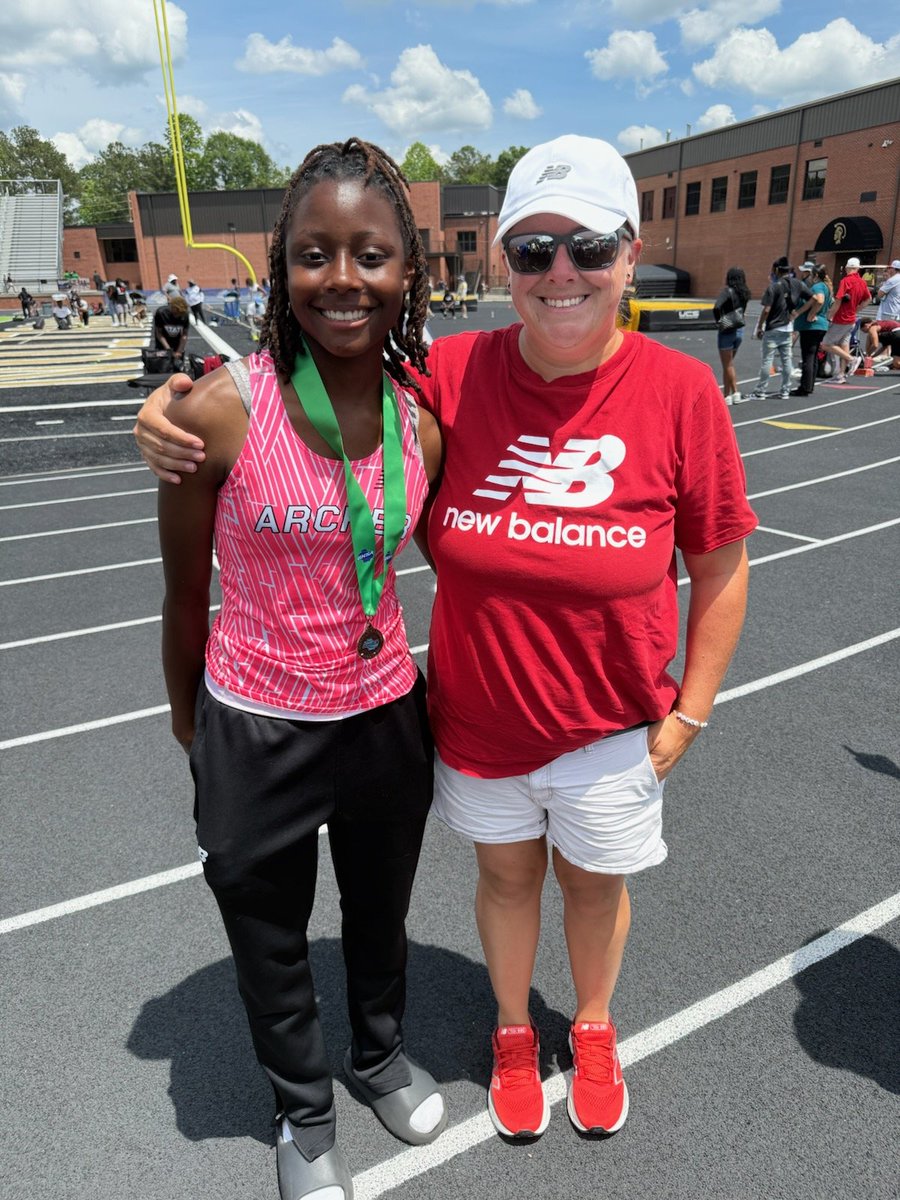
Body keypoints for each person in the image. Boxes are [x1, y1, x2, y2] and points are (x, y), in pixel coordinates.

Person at [135, 134, 756, 1150]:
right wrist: (167, 409)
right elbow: (301, 386)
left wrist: (690, 712)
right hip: (456, 720)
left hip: (584, 724)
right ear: (504, 262)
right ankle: (460, 1054)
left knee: (573, 890)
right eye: (534, 250)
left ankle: (582, 1029)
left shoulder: (668, 393)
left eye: (590, 247)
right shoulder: (450, 374)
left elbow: (723, 565)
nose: (561, 271)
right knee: (483, 886)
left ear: (630, 254)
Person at [149, 138, 448, 1200]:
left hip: (384, 719)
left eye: (371, 254)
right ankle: (303, 1115)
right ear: (282, 265)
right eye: (315, 254)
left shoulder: (422, 419)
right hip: (255, 721)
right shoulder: (220, 409)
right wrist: (192, 723)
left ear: (408, 271)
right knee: (270, 941)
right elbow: (183, 592)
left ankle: (378, 1056)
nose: (342, 279)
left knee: (380, 915)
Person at [749, 255, 812, 400]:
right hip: (788, 328)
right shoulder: (797, 284)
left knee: (767, 360)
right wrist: (798, 312)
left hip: (773, 327)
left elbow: (766, 310)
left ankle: (761, 390)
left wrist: (760, 326)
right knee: (787, 360)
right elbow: (813, 298)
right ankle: (785, 390)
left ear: (776, 270)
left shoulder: (774, 286)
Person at [822, 256, 871, 383]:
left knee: (825, 344)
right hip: (851, 319)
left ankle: (851, 359)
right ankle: (841, 374)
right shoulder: (862, 282)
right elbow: (868, 299)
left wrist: (829, 315)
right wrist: (856, 310)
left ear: (847, 268)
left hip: (841, 318)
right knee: (844, 346)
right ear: (858, 269)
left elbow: (838, 300)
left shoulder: (846, 281)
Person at [789, 262, 830, 396]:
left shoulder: (818, 286)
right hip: (820, 325)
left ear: (816, 275)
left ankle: (805, 387)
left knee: (808, 356)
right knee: (813, 357)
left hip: (811, 326)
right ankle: (809, 385)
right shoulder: (826, 286)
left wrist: (811, 314)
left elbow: (819, 300)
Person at [712, 266, 751, 404]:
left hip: (727, 330)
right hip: (739, 329)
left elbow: (717, 307)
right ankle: (726, 394)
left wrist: (719, 321)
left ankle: (735, 393)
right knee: (728, 365)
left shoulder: (727, 291)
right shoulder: (745, 293)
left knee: (727, 365)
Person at [151, 294, 190, 363]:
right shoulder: (161, 313)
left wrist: (179, 350)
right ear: (172, 308)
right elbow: (159, 333)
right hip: (162, 345)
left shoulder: (184, 314)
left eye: (180, 314)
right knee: (163, 366)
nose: (178, 316)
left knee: (178, 366)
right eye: (176, 313)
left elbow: (184, 334)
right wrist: (169, 350)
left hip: (177, 345)